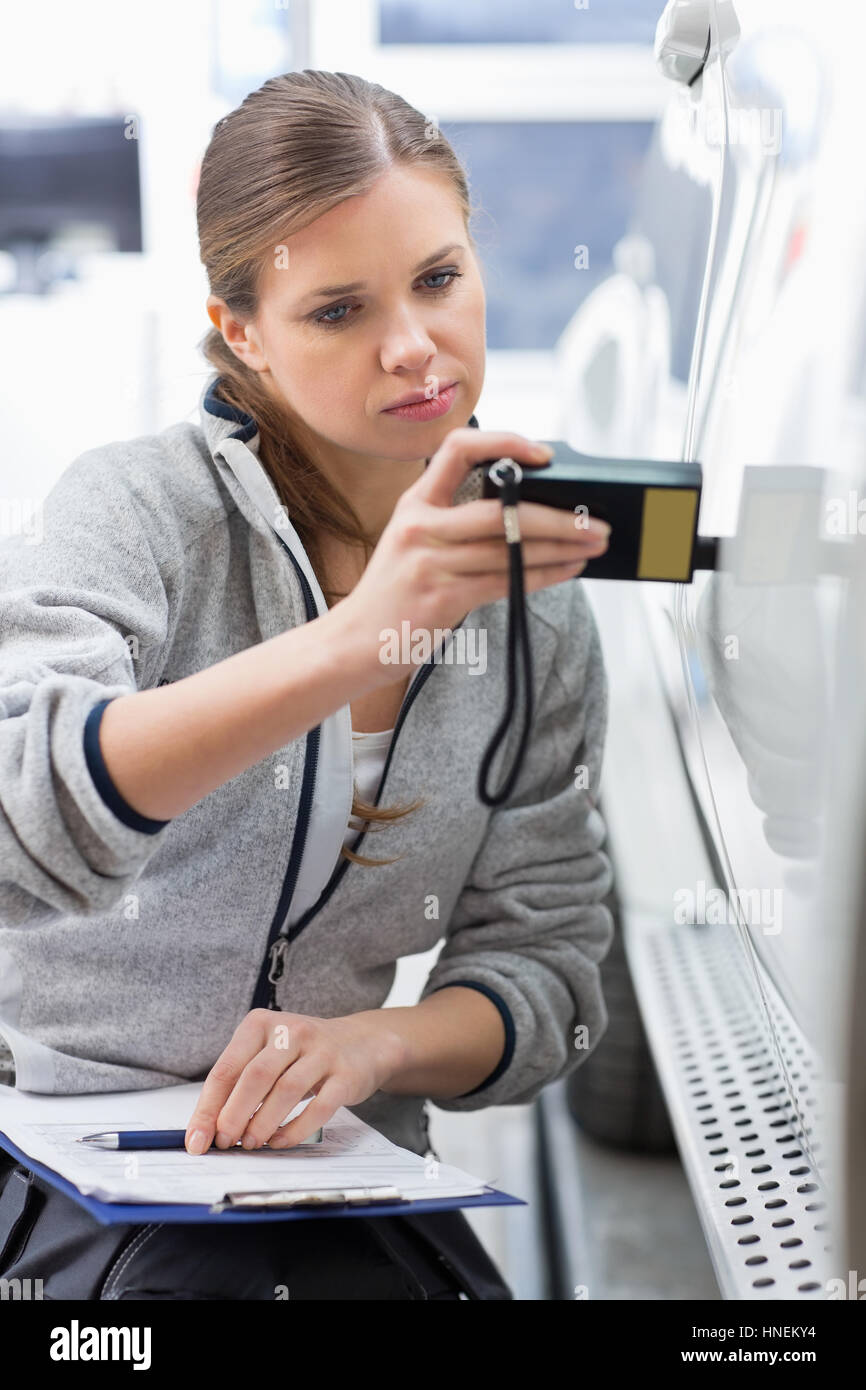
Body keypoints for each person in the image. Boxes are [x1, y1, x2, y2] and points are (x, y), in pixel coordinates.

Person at [0, 69, 614, 1300]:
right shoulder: (136, 512)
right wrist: (356, 641)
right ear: (244, 335)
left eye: (438, 278)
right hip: (59, 1160)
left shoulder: (533, 593)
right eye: (336, 310)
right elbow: (24, 812)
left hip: (333, 1178)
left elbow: (548, 971)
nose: (413, 346)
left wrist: (369, 1045)